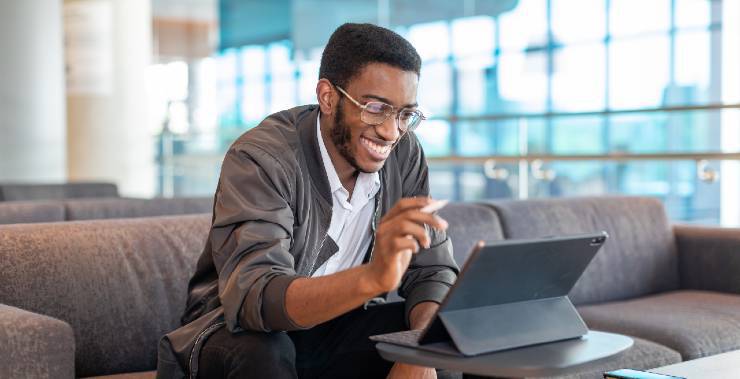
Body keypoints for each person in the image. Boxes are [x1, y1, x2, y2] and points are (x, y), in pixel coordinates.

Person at [156, 22, 458, 379]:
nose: (391, 131)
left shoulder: (404, 154)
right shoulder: (261, 158)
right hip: (233, 334)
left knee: (444, 337)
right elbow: (257, 298)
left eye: (405, 113)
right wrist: (372, 278)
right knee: (266, 351)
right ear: (328, 97)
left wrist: (419, 352)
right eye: (376, 108)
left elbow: (433, 270)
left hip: (336, 328)